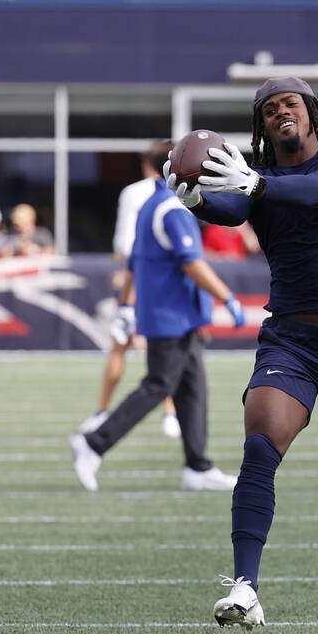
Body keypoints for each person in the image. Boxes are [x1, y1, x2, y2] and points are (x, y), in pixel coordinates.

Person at [163, 77, 318, 630]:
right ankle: (245, 588)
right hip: (290, 339)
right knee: (260, 447)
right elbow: (231, 209)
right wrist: (195, 200)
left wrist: (254, 185)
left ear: (314, 118)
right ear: (262, 125)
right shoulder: (260, 179)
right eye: (270, 109)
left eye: (291, 105)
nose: (281, 113)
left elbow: (316, 193)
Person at [68, 177, 246, 494]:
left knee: (192, 389)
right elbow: (192, 263)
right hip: (171, 315)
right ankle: (94, 443)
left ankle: (197, 466)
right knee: (158, 385)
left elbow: (134, 261)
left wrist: (125, 303)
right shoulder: (172, 209)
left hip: (175, 315)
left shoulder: (151, 204)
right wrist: (227, 296)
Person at [82, 141, 183, 439]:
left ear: (145, 164)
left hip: (136, 274)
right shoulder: (178, 193)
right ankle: (170, 414)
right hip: (164, 279)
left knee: (122, 346)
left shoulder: (135, 193)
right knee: (162, 347)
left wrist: (126, 281)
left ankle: (101, 412)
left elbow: (124, 246)